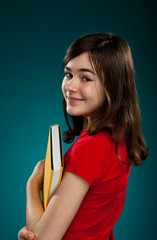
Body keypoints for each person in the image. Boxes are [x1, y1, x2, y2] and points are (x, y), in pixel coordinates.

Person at [18, 33, 148, 240]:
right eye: (68, 74)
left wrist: (33, 183)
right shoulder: (117, 138)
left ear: (112, 87)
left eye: (85, 78)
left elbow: (42, 238)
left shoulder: (90, 149)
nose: (70, 86)